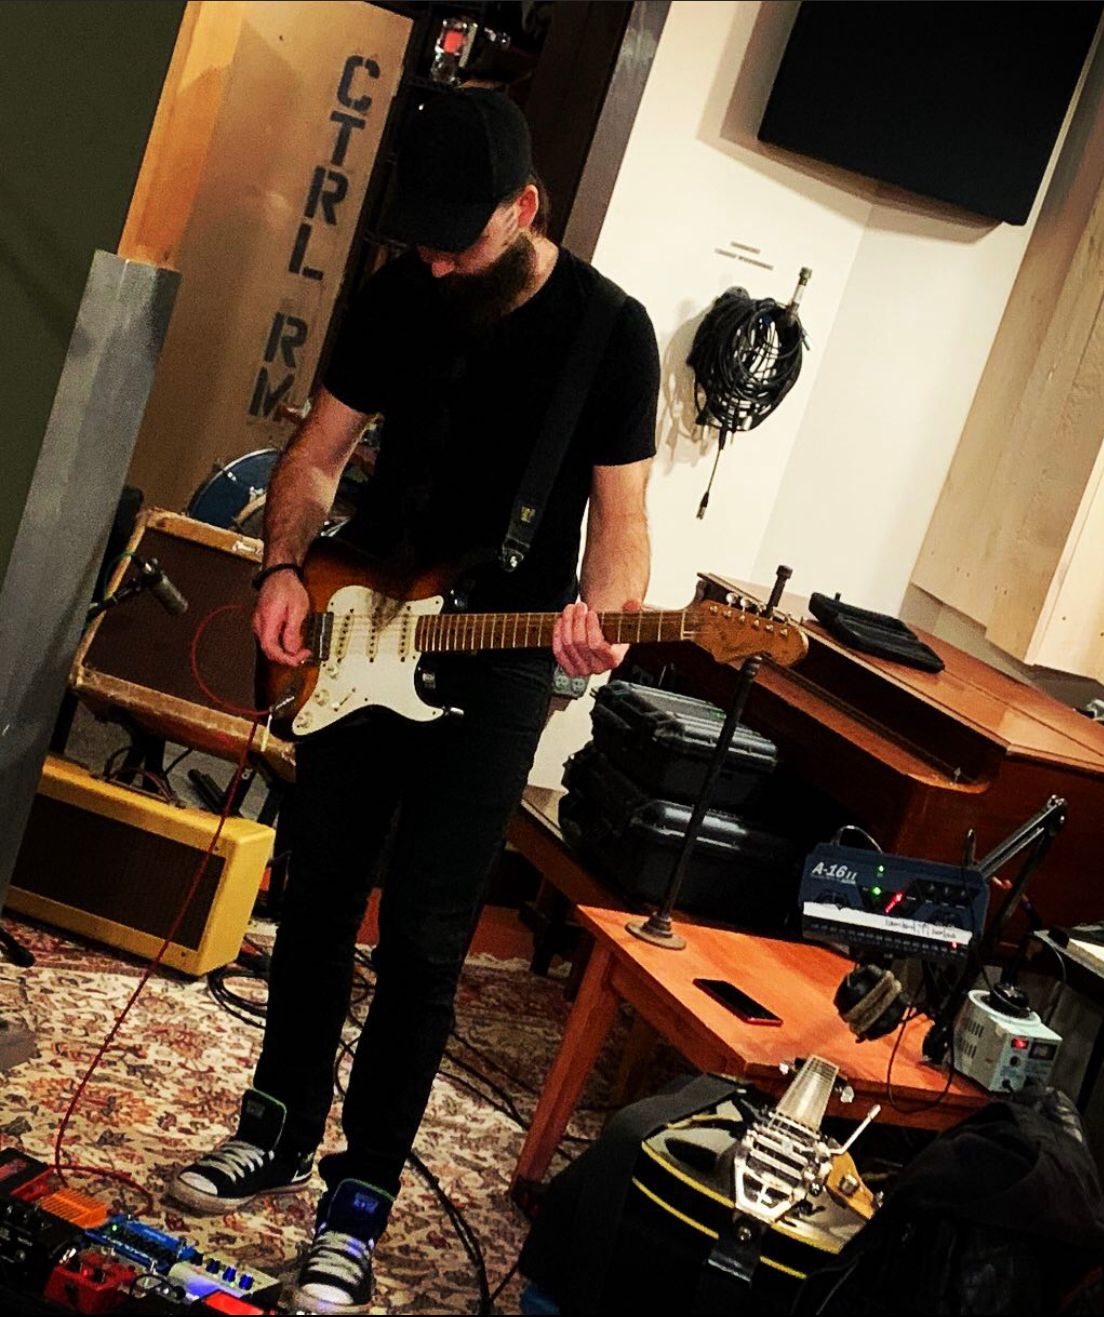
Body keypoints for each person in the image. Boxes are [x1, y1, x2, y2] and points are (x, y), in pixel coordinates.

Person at [170, 88, 659, 1314]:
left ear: (525, 207)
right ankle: (274, 1127)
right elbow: (315, 456)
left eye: (461, 242)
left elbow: (623, 524)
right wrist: (284, 568)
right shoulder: (401, 294)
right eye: (423, 242)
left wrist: (604, 618)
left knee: (427, 941)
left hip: (498, 660)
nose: (438, 264)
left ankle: (360, 1199)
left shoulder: (610, 333)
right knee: (315, 901)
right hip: (359, 623)